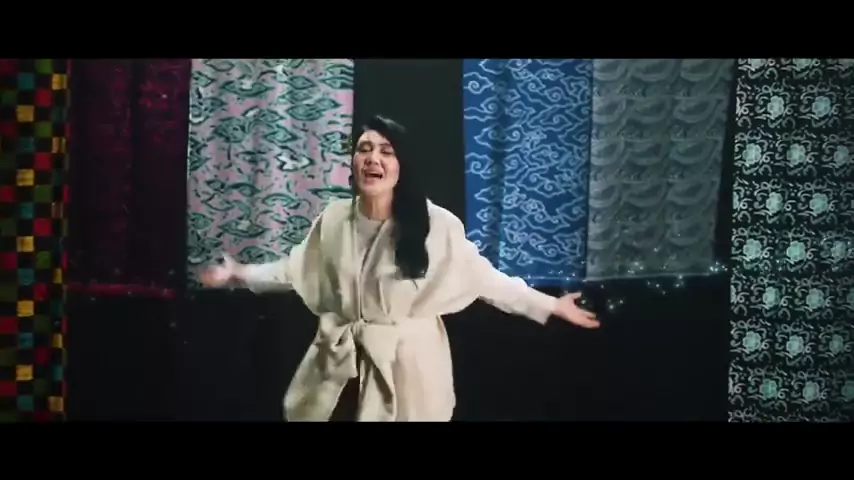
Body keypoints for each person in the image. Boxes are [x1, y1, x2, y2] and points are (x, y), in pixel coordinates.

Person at [200, 115, 599, 422]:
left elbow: (485, 279)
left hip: (409, 369)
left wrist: (550, 305)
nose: (372, 158)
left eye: (386, 151)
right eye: (364, 149)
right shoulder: (334, 220)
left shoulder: (436, 225)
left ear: (401, 165)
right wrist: (239, 274)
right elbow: (294, 269)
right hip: (343, 365)